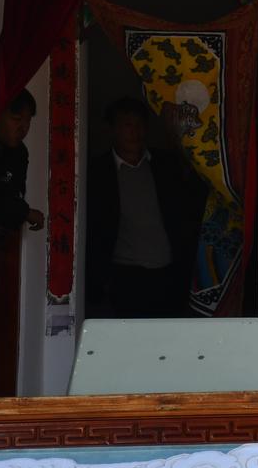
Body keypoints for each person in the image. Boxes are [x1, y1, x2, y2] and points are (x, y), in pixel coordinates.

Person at [85, 97, 204, 319]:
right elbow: (94, 229)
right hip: (124, 276)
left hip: (169, 273)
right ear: (113, 129)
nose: (135, 132)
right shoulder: (97, 173)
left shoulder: (165, 164)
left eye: (140, 124)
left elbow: (187, 211)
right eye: (127, 125)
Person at [0, 90, 44, 241]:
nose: (24, 128)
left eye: (28, 121)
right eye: (16, 119)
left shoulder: (20, 153)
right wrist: (25, 212)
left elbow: (15, 194)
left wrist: (20, 211)